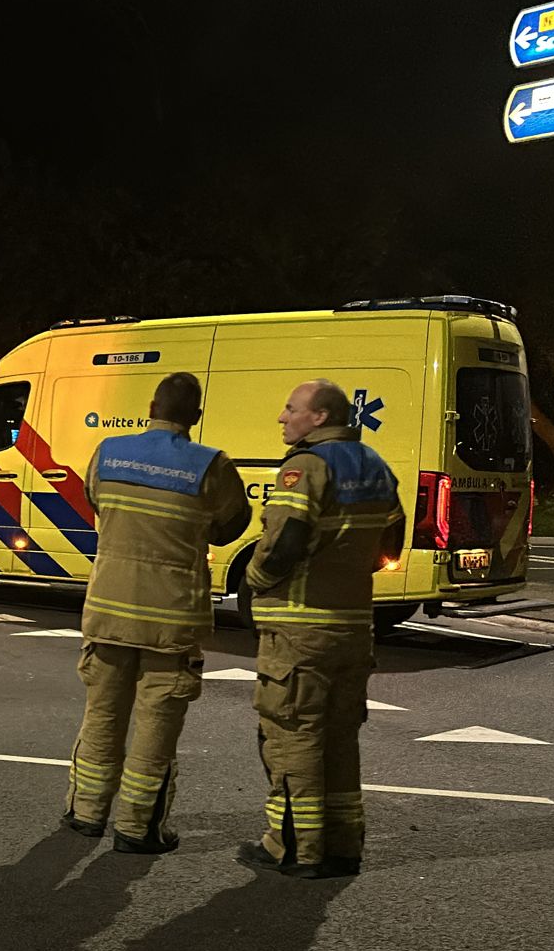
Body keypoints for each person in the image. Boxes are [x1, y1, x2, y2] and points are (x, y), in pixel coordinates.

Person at [62, 372, 251, 853]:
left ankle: (86, 814)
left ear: (151, 406)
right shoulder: (211, 466)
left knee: (102, 716)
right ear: (197, 416)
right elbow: (233, 526)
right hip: (170, 619)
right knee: (156, 725)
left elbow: (96, 503)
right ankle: (137, 827)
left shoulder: (108, 453)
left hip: (108, 611)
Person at [239, 379, 404, 879]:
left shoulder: (305, 467)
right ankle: (342, 845)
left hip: (299, 631)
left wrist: (253, 581)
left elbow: (284, 542)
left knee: (293, 736)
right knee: (339, 739)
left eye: (291, 409)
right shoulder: (376, 465)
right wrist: (348, 573)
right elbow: (392, 540)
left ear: (319, 417)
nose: (282, 417)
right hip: (353, 628)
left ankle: (293, 847)